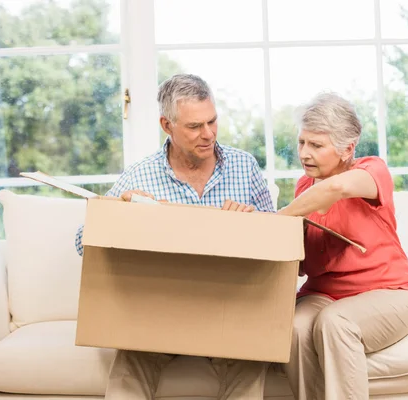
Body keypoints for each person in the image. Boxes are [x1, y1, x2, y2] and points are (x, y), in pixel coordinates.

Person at [74, 74, 274, 400]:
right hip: (159, 312)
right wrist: (123, 217)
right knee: (129, 369)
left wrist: (251, 226)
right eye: (195, 127)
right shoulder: (141, 175)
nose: (208, 134)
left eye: (212, 122)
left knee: (251, 365)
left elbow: (277, 242)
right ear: (167, 125)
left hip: (228, 310)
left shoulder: (244, 166)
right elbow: (83, 241)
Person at [277, 92, 408, 400]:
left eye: (317, 145)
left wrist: (277, 218)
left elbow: (337, 188)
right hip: (325, 294)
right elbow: (303, 262)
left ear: (348, 148)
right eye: (302, 142)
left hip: (390, 293)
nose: (304, 153)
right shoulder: (304, 186)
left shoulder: (371, 171)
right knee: (293, 327)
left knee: (337, 322)